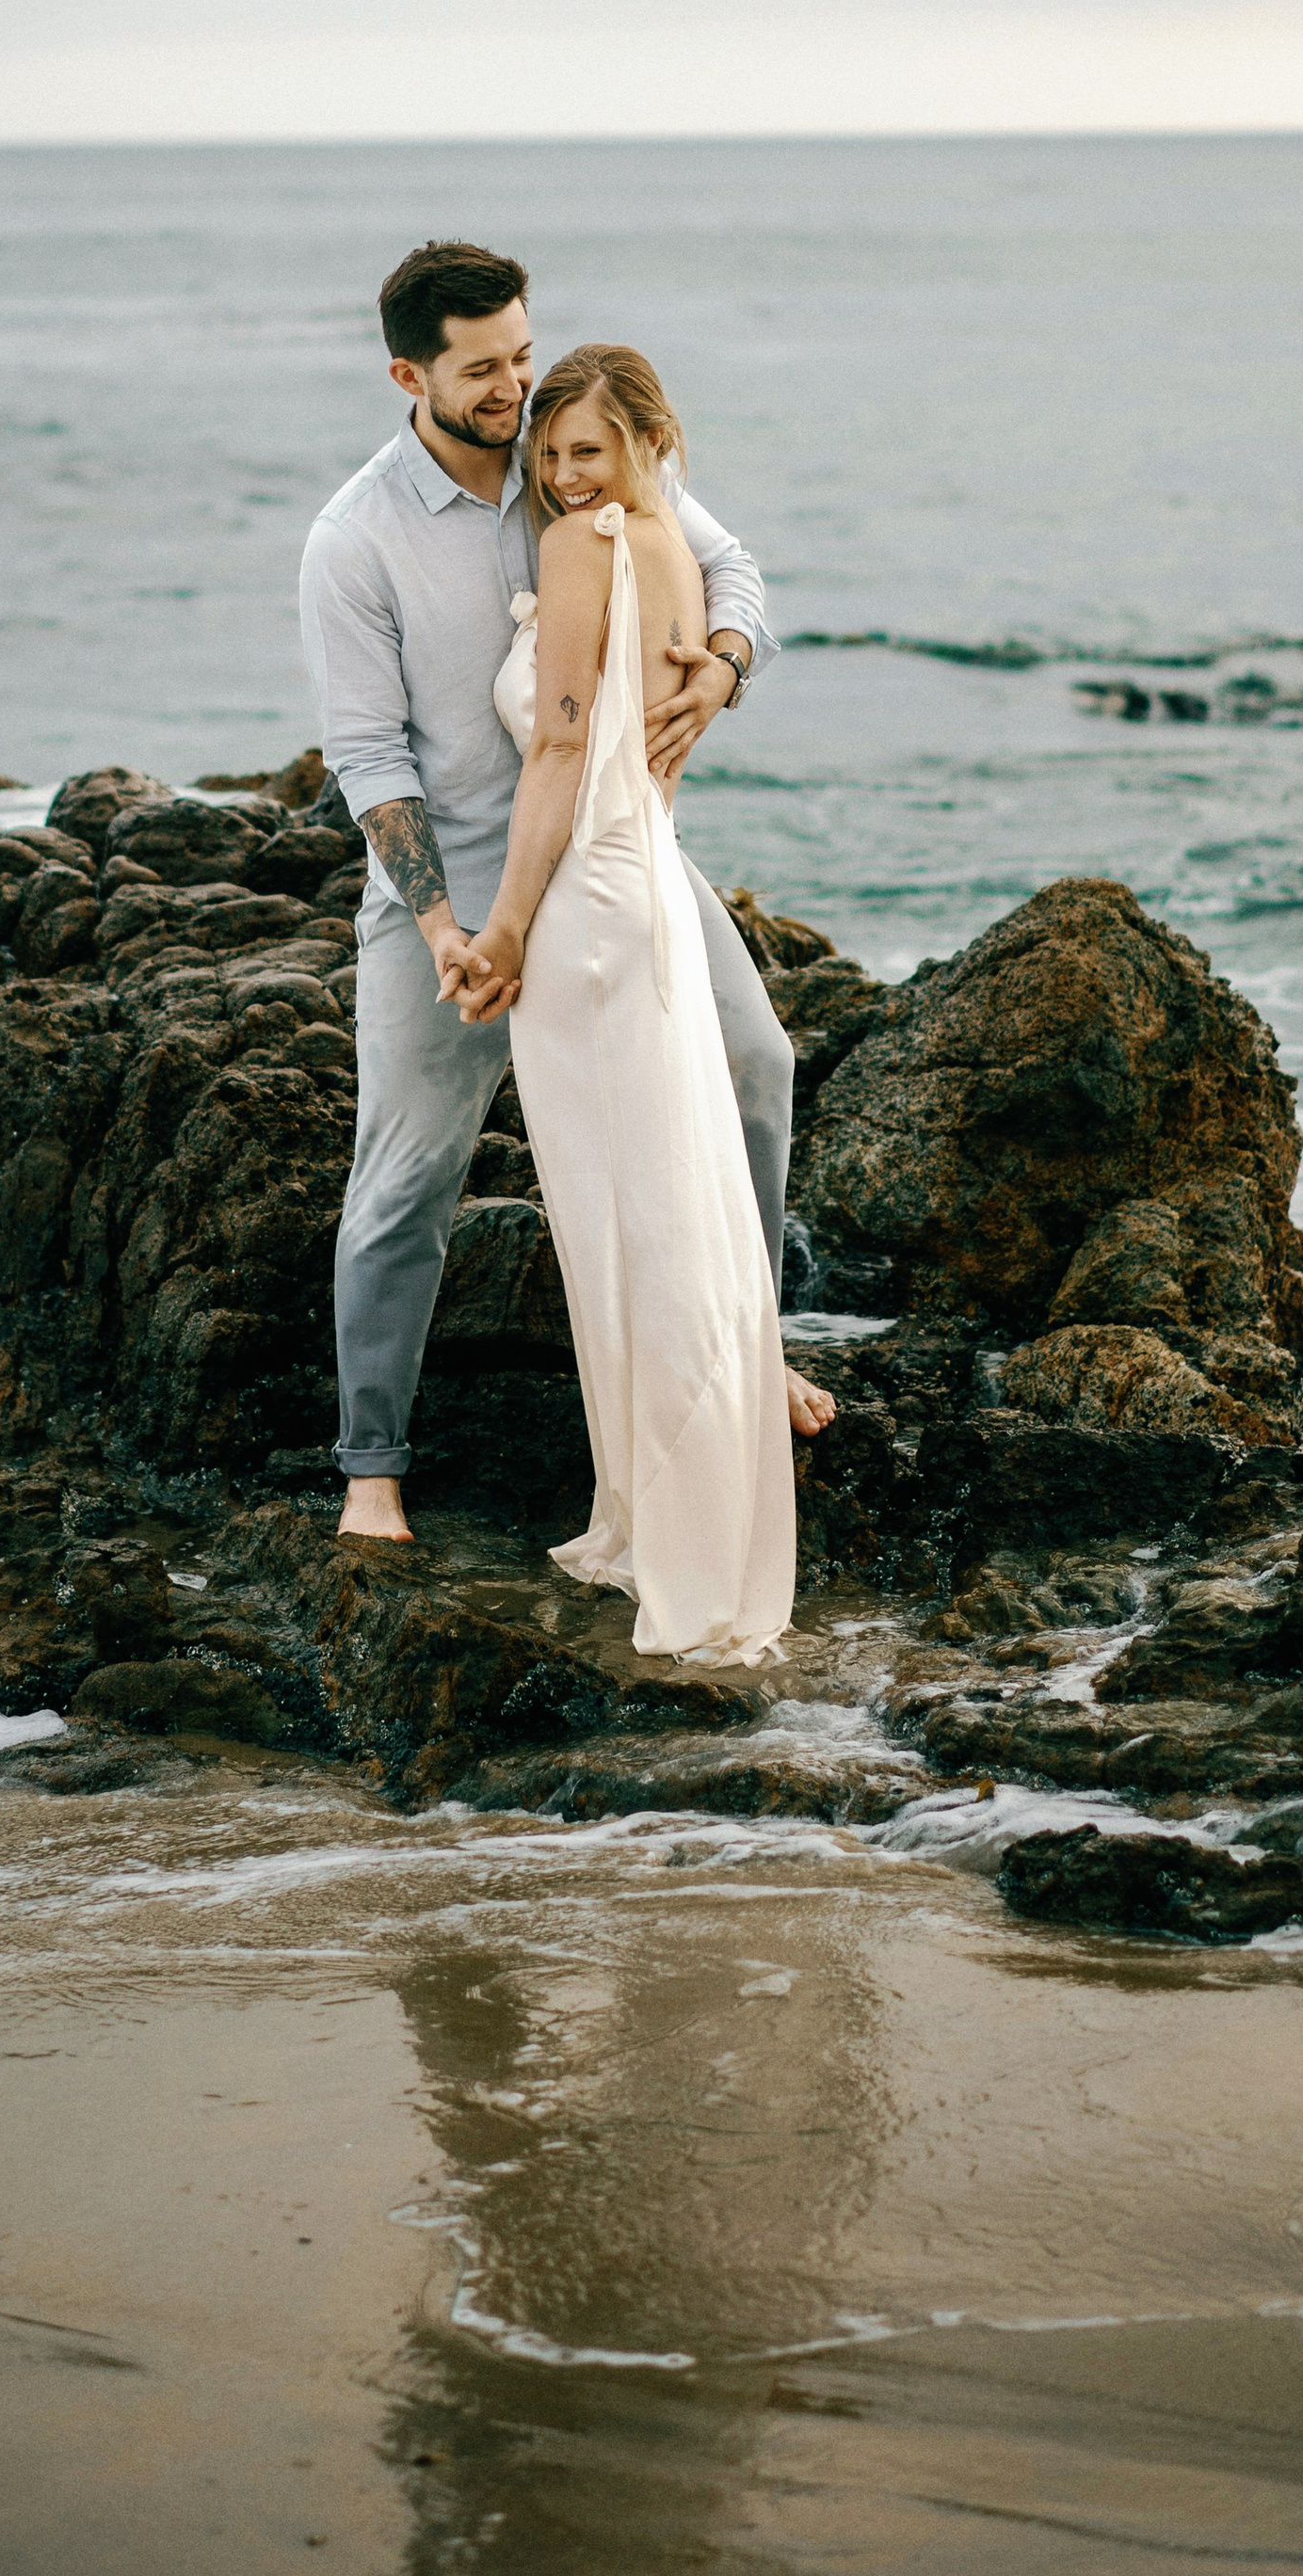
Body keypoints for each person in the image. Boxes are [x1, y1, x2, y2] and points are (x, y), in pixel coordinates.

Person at [298, 240, 831, 1553]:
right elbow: (368, 758)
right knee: (407, 1176)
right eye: (483, 368)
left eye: (523, 355)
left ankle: (747, 1353)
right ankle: (373, 1470)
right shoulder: (354, 538)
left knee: (756, 1069)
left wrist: (721, 664)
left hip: (616, 853)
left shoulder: (573, 454)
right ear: (407, 372)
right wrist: (440, 926)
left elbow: (734, 563)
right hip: (455, 893)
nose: (514, 386)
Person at [454, 344, 828, 1662]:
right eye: (548, 455)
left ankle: (666, 1532)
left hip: (592, 915)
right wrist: (725, 660)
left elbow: (559, 743)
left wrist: (503, 923)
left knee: (627, 1221)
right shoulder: (668, 542)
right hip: (653, 887)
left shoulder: (579, 549)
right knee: (675, 1202)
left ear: (649, 442)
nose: (560, 477)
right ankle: (663, 1516)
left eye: (586, 451)